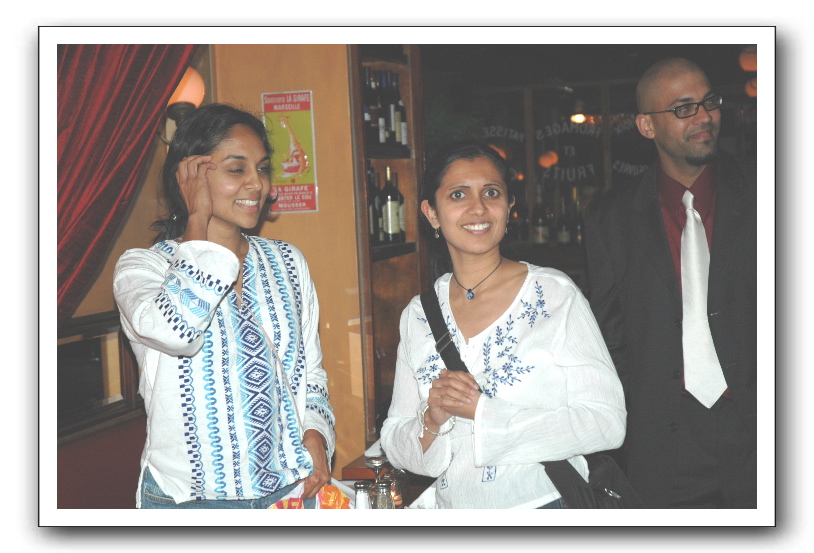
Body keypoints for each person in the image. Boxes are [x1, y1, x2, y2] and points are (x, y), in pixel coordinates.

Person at [380, 140, 626, 509]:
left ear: (509, 207)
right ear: (432, 213)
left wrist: (483, 412)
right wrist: (432, 418)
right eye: (458, 194)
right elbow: (396, 440)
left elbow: (607, 422)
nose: (478, 207)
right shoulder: (419, 314)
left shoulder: (553, 294)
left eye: (491, 192)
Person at [113, 103, 335, 508]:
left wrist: (317, 433)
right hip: (189, 502)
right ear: (190, 177)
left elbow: (310, 371)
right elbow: (179, 332)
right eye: (237, 169)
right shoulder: (141, 269)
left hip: (287, 491)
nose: (258, 185)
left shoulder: (288, 262)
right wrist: (196, 219)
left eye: (262, 169)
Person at [584, 58, 757, 508]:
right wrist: (637, 417)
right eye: (684, 108)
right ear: (647, 125)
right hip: (665, 445)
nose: (704, 117)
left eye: (709, 102)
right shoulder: (610, 218)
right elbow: (609, 336)